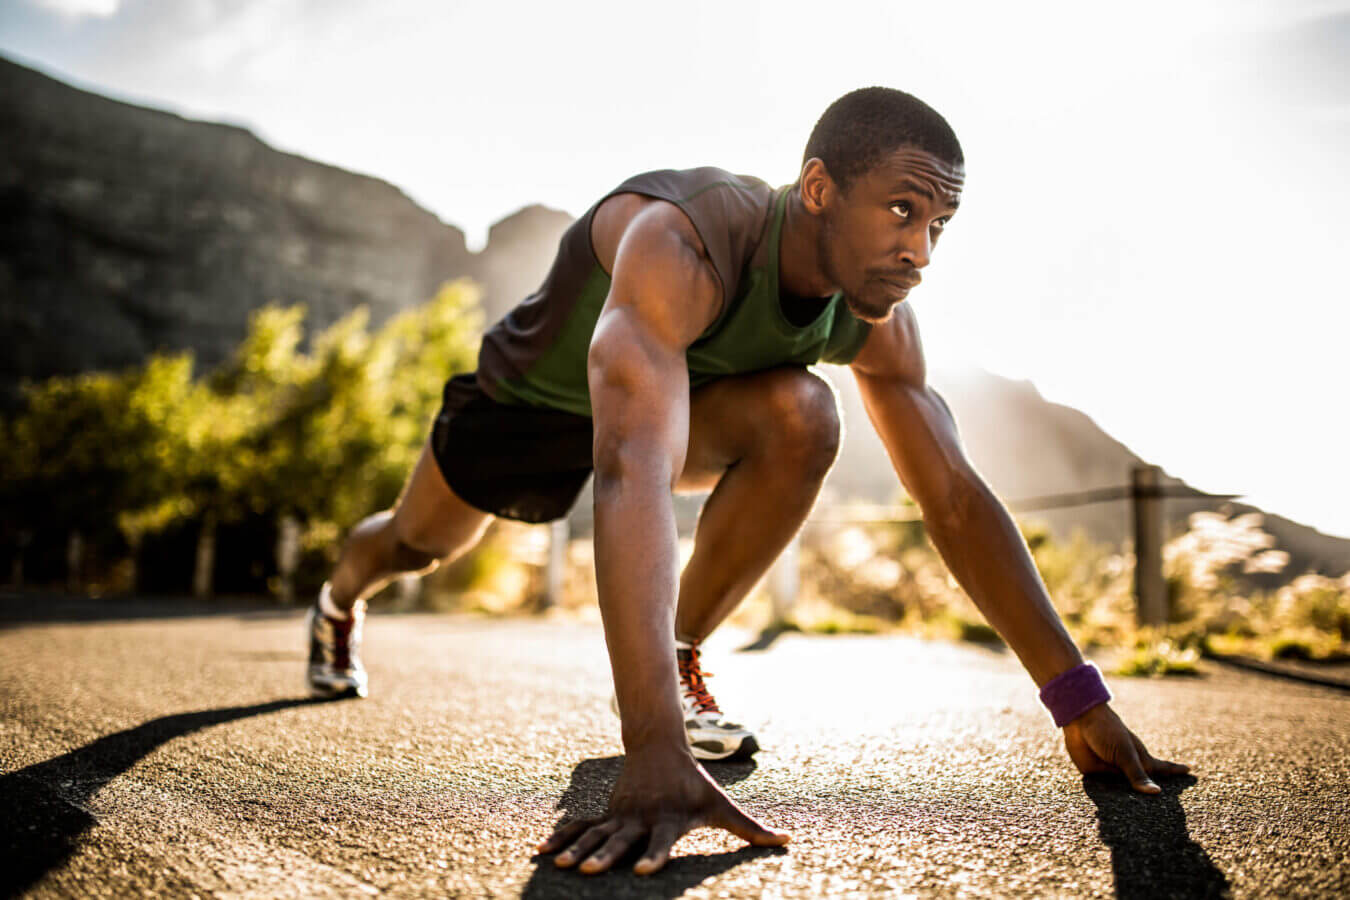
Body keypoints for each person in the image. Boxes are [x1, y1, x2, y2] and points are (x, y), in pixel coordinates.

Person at [305, 87, 1190, 876]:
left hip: (674, 412)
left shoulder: (879, 317)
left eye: (937, 227)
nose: (919, 251)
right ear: (817, 191)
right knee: (418, 544)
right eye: (900, 210)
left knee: (806, 415)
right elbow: (629, 470)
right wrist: (644, 750)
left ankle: (679, 656)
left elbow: (953, 498)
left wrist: (1078, 698)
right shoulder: (685, 237)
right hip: (530, 406)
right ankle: (339, 605)